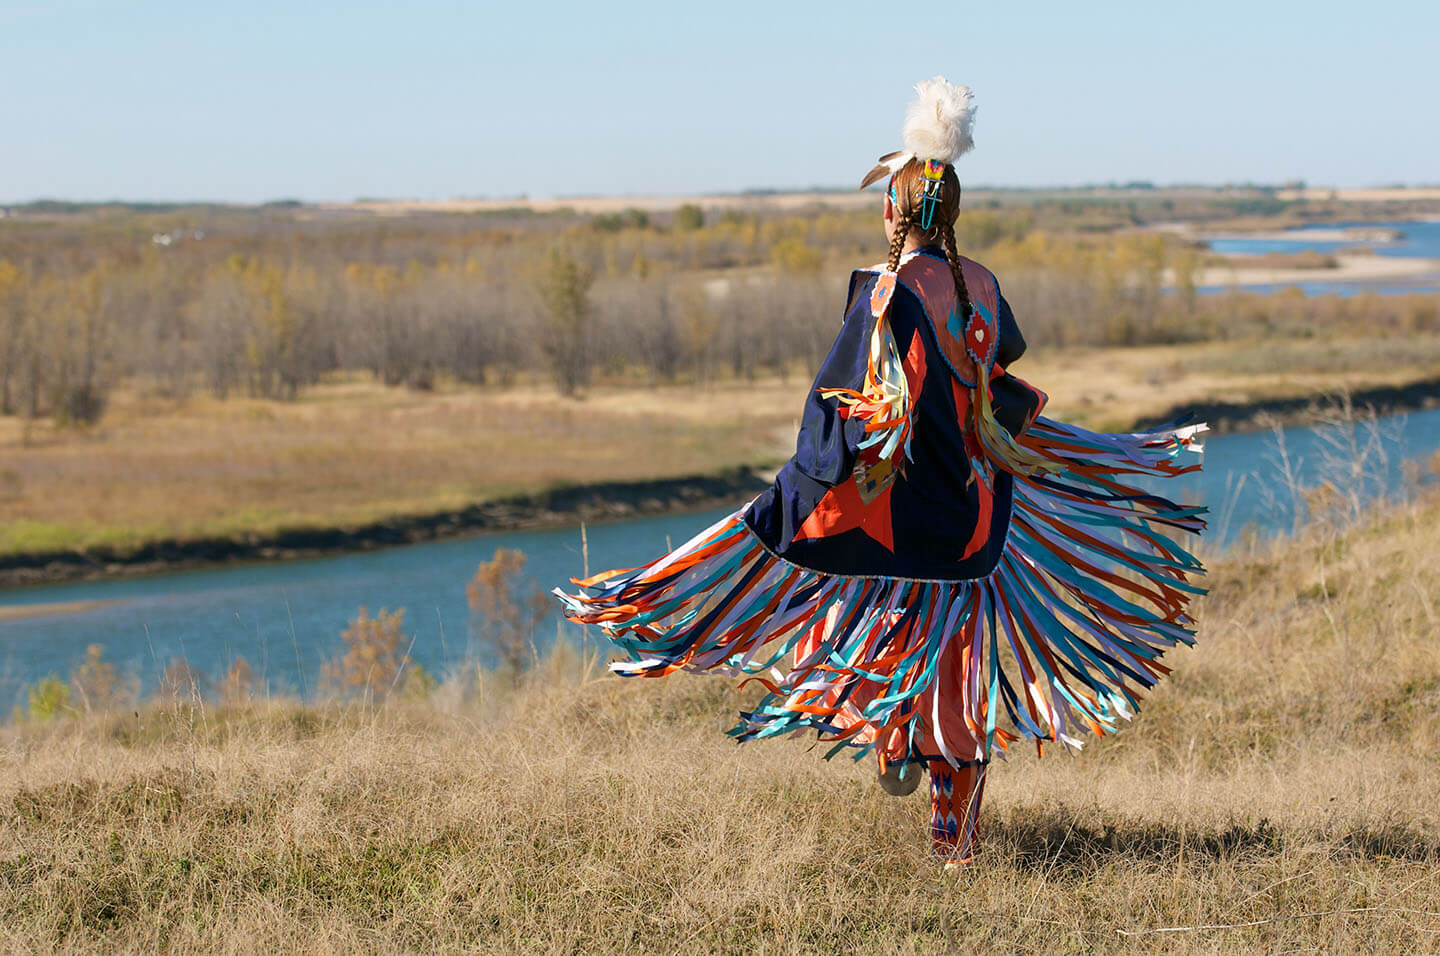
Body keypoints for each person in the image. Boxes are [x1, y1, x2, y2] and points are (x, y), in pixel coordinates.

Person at [555, 77, 1206, 866]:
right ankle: (952, 835)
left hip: (890, 517)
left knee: (869, 625)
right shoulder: (985, 286)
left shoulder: (879, 292)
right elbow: (991, 376)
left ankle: (894, 737)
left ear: (892, 211)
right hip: (969, 526)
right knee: (955, 668)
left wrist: (796, 491)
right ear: (953, 213)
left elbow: (838, 406)